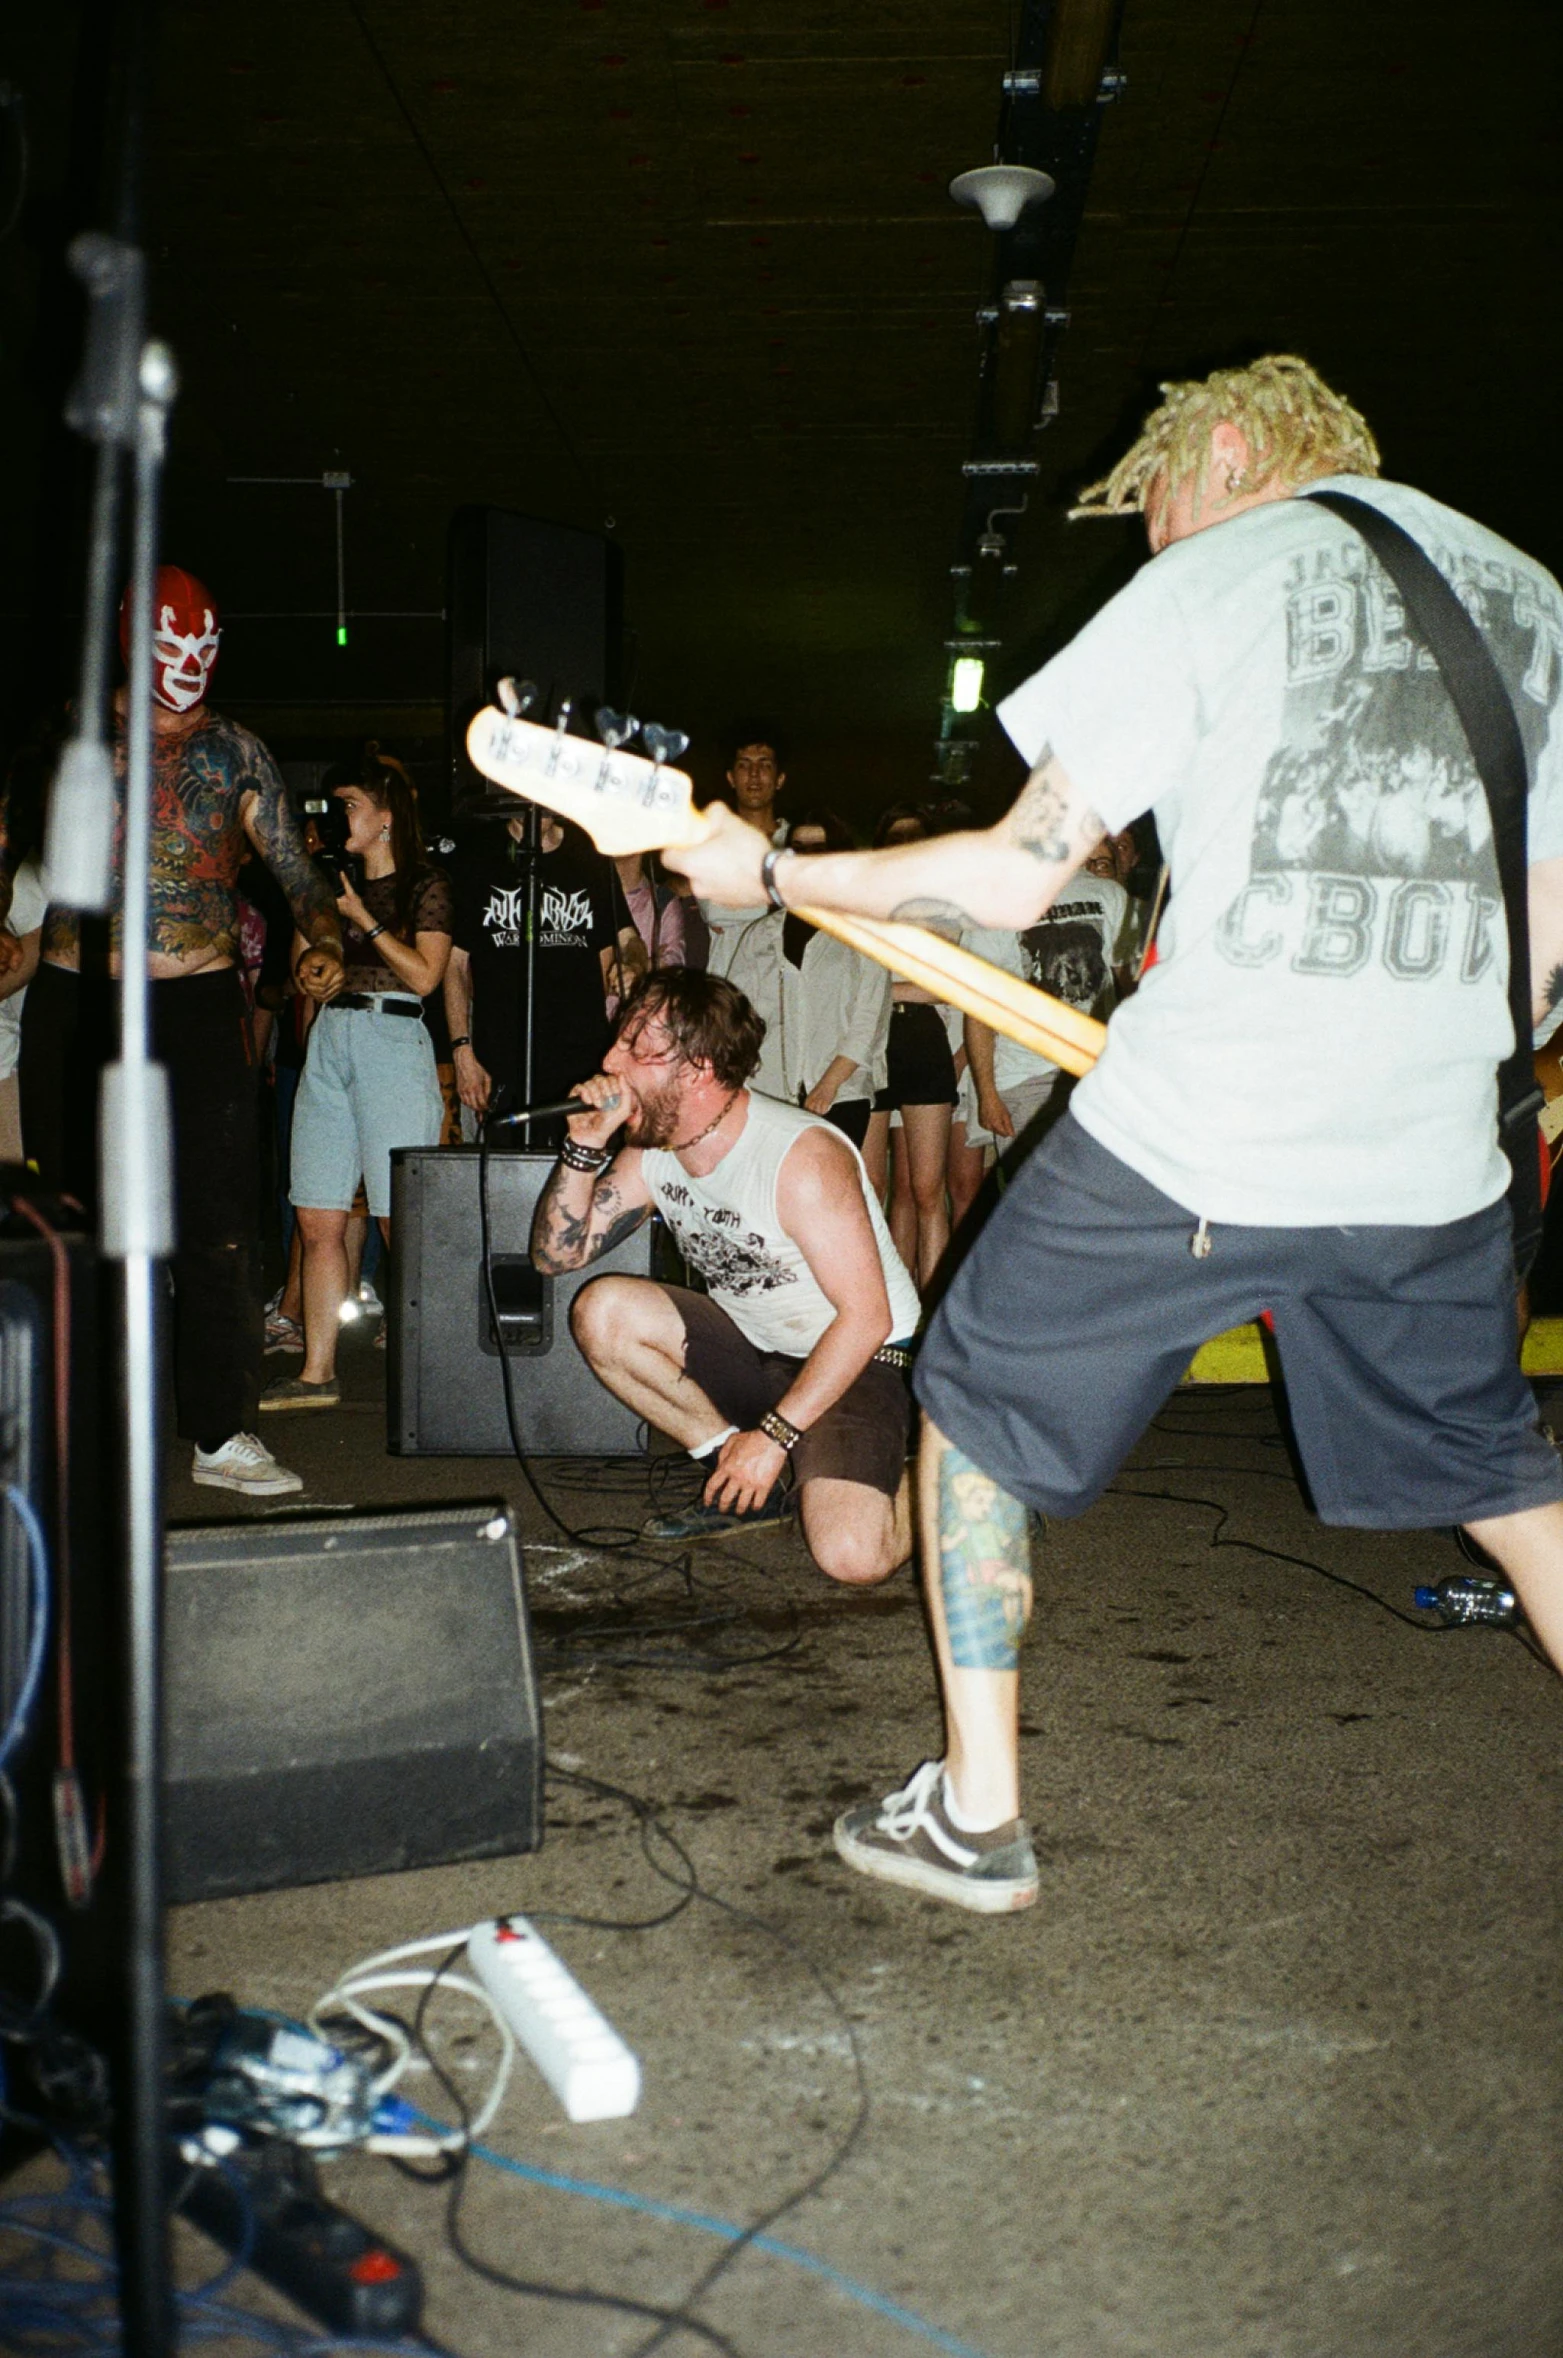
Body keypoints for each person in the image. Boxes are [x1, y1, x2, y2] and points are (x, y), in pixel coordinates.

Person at [665, 352, 1563, 1915]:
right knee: (1502, 1472)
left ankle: (978, 1814)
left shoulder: (1221, 568)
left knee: (967, 1396)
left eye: (1150, 502)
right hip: (1429, 1141)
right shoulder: (1530, 598)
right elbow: (1544, 947)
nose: (1151, 539)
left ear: (1219, 446)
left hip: (1204, 1114)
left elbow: (1014, 878)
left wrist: (781, 877)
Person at [1, 565, 343, 1497]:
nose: (190, 666)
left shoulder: (235, 753)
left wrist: (323, 938)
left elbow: (296, 874)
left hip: (194, 1004)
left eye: (205, 647)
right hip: (80, 1000)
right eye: (170, 646)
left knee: (217, 1223)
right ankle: (74, 1432)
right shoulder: (75, 733)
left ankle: (221, 1433)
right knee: (75, 1218)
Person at [531, 969, 921, 1579]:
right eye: (620, 1040)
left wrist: (772, 1438)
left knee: (852, 1558)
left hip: (853, 1362)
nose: (610, 1059)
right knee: (601, 1311)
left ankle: (958, 1480)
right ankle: (742, 1483)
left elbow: (867, 1318)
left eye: (639, 1048)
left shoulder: (800, 1159)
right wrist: (582, 1149)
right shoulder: (652, 1154)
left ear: (699, 1069)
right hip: (752, 1350)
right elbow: (556, 1259)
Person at [261, 748, 452, 1410]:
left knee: (404, 1218)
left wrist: (361, 917)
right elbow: (300, 970)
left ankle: (433, 1375)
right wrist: (316, 961)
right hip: (329, 1039)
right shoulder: (323, 884)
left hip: (392, 1037)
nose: (336, 815)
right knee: (317, 1212)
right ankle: (317, 1371)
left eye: (349, 804)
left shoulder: (424, 884)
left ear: (387, 815)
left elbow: (426, 976)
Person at [444, 805, 634, 1148]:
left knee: (578, 1166)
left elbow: (621, 942)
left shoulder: (588, 854)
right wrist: (462, 1051)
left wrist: (635, 968)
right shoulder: (477, 856)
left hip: (580, 1057)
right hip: (502, 1057)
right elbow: (454, 964)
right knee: (507, 1180)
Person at [962, 833, 1129, 1165]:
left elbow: (1127, 986)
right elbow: (979, 1010)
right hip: (1024, 1078)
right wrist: (988, 1094)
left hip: (1094, 1075)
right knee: (1035, 1203)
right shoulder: (994, 908)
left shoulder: (1107, 893)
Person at [862, 805, 960, 1287]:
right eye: (893, 837)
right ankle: (889, 1309)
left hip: (920, 1039)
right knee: (874, 1186)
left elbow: (943, 986)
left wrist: (879, 990)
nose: (902, 846)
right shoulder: (860, 902)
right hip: (871, 1042)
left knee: (926, 1188)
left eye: (911, 837)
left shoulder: (942, 904)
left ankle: (932, 1301)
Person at [770, 808, 892, 1150]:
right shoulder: (766, 932)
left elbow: (868, 1020)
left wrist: (828, 1085)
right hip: (775, 1093)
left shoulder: (864, 928)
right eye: (799, 848)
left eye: (819, 849)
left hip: (840, 1094)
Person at [698, 722, 791, 1096]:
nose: (754, 774)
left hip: (789, 1002)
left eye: (764, 764)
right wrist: (781, 900)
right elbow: (717, 910)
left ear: (780, 778)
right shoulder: (711, 841)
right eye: (744, 764)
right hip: (729, 1001)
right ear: (730, 777)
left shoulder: (801, 841)